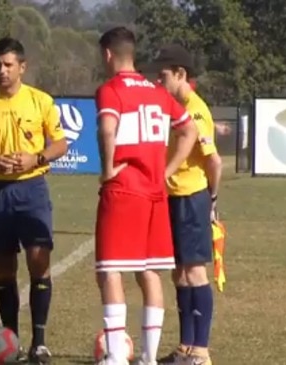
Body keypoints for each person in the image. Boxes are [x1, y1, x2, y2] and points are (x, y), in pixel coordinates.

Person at [93, 27, 198, 365]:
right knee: (150, 272)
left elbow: (107, 128)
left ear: (108, 54)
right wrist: (165, 172)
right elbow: (189, 129)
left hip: (125, 191)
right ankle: (148, 357)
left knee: (110, 272)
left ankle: (114, 357)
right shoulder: (157, 92)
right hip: (155, 193)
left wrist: (108, 168)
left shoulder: (110, 90)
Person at [0, 37, 68, 365]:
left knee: (39, 260)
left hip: (31, 189)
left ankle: (39, 342)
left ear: (22, 67)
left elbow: (60, 144)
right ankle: (10, 339)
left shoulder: (41, 101)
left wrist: (34, 159)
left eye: (8, 65)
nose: (2, 71)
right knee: (4, 269)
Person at [151, 44, 222, 365]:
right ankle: (185, 348)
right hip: (173, 198)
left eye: (163, 75)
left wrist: (212, 200)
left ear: (180, 74)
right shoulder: (170, 107)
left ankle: (202, 351)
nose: (158, 81)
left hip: (192, 198)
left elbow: (215, 162)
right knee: (179, 273)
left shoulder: (195, 110)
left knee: (195, 273)